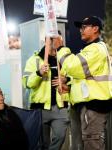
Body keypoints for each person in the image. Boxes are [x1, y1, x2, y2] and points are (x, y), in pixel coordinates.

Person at [57, 16, 112, 150]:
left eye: (84, 27)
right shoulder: (90, 49)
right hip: (86, 106)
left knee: (92, 144)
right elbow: (83, 78)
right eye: (80, 27)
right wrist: (69, 86)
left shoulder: (96, 49)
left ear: (95, 29)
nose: (81, 30)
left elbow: (74, 66)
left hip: (93, 107)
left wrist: (61, 48)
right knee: (84, 144)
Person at [23, 32, 70, 150]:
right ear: (47, 41)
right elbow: (27, 84)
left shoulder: (65, 59)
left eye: (60, 40)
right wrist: (38, 73)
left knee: (60, 136)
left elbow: (75, 78)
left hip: (60, 107)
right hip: (40, 108)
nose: (59, 42)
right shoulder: (34, 60)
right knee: (42, 143)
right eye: (56, 39)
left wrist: (66, 79)